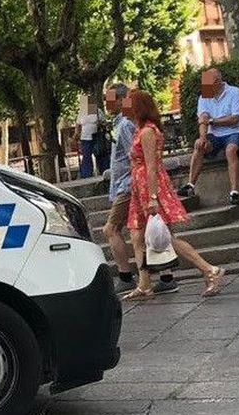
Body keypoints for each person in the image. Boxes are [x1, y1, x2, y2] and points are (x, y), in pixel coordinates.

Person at [124, 89, 227, 301]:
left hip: (149, 189)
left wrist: (153, 197)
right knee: (136, 236)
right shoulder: (142, 130)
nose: (125, 108)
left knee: (167, 238)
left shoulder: (147, 132)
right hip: (140, 188)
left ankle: (209, 269)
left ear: (139, 107)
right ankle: (144, 284)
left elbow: (152, 167)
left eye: (129, 104)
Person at [102, 84, 177, 296]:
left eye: (110, 100)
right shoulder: (124, 124)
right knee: (142, 233)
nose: (107, 104)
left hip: (130, 185)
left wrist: (143, 190)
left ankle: (127, 275)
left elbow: (136, 158)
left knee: (112, 229)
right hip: (129, 184)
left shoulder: (128, 126)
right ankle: (161, 277)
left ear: (122, 100)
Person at [179, 68, 239, 206]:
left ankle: (234, 192)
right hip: (215, 134)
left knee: (231, 150)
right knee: (199, 147)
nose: (205, 88)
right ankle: (190, 186)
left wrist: (212, 121)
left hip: (235, 131)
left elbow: (235, 118)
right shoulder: (204, 96)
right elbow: (203, 119)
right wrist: (202, 137)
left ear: (217, 82)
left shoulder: (234, 92)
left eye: (207, 85)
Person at [77, 101, 101, 179]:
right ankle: (87, 175)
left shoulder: (97, 111)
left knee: (100, 153)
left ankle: (102, 170)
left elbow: (103, 122)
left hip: (96, 136)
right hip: (85, 138)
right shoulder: (82, 112)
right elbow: (78, 125)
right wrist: (76, 136)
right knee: (86, 156)